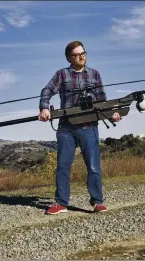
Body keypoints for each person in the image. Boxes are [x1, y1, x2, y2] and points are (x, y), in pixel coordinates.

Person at [38, 40, 121, 215]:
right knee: (63, 166)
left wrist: (111, 112)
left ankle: (97, 202)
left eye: (83, 53)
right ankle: (61, 203)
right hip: (66, 128)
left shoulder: (94, 74)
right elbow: (47, 90)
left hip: (89, 126)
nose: (82, 57)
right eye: (77, 54)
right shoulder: (62, 74)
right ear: (69, 58)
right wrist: (44, 107)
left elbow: (102, 99)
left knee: (93, 166)